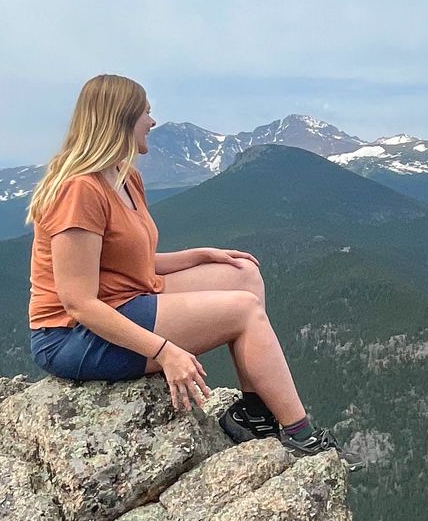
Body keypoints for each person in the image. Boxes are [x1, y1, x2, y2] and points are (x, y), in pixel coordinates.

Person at [26, 73, 343, 458]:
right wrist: (165, 352)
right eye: (146, 112)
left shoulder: (125, 179)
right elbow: (77, 301)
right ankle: (301, 436)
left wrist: (200, 255)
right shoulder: (80, 189)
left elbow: (126, 261)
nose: (153, 122)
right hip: (72, 336)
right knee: (243, 311)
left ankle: (254, 414)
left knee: (244, 275)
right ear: (122, 119)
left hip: (124, 298)